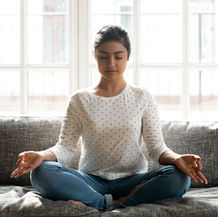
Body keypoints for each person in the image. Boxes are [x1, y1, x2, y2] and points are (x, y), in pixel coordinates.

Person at [10, 25, 208, 212]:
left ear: (128, 57)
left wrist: (177, 159)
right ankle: (113, 204)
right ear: (95, 57)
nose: (111, 63)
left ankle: (103, 204)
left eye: (118, 56)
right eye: (103, 57)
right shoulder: (80, 99)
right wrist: (41, 156)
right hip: (90, 181)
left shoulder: (142, 97)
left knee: (179, 177)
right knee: (42, 172)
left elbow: (157, 148)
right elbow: (66, 148)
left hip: (134, 180)